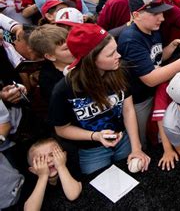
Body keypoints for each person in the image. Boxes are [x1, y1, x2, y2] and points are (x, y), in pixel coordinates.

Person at [49, 23, 151, 174]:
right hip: (91, 150)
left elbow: (128, 109)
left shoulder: (120, 70)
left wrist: (137, 148)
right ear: (90, 61)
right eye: (110, 54)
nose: (119, 55)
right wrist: (96, 136)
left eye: (116, 50)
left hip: (123, 140)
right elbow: (62, 129)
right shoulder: (64, 89)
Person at [117, 0, 180, 148]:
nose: (161, 18)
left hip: (158, 91)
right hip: (140, 99)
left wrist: (172, 46)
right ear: (136, 15)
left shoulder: (152, 28)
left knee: (163, 131)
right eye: (155, 13)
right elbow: (150, 79)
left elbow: (156, 57)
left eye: (161, 12)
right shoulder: (130, 39)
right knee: (144, 141)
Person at [24, 139, 82, 211]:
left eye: (52, 155)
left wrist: (61, 166)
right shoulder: (30, 183)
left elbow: (73, 195)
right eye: (41, 159)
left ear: (64, 156)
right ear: (33, 170)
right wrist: (43, 176)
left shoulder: (70, 168)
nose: (48, 160)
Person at [28, 24, 75, 103]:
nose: (74, 49)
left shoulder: (84, 60)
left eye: (72, 43)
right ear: (50, 56)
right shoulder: (48, 80)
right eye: (66, 48)